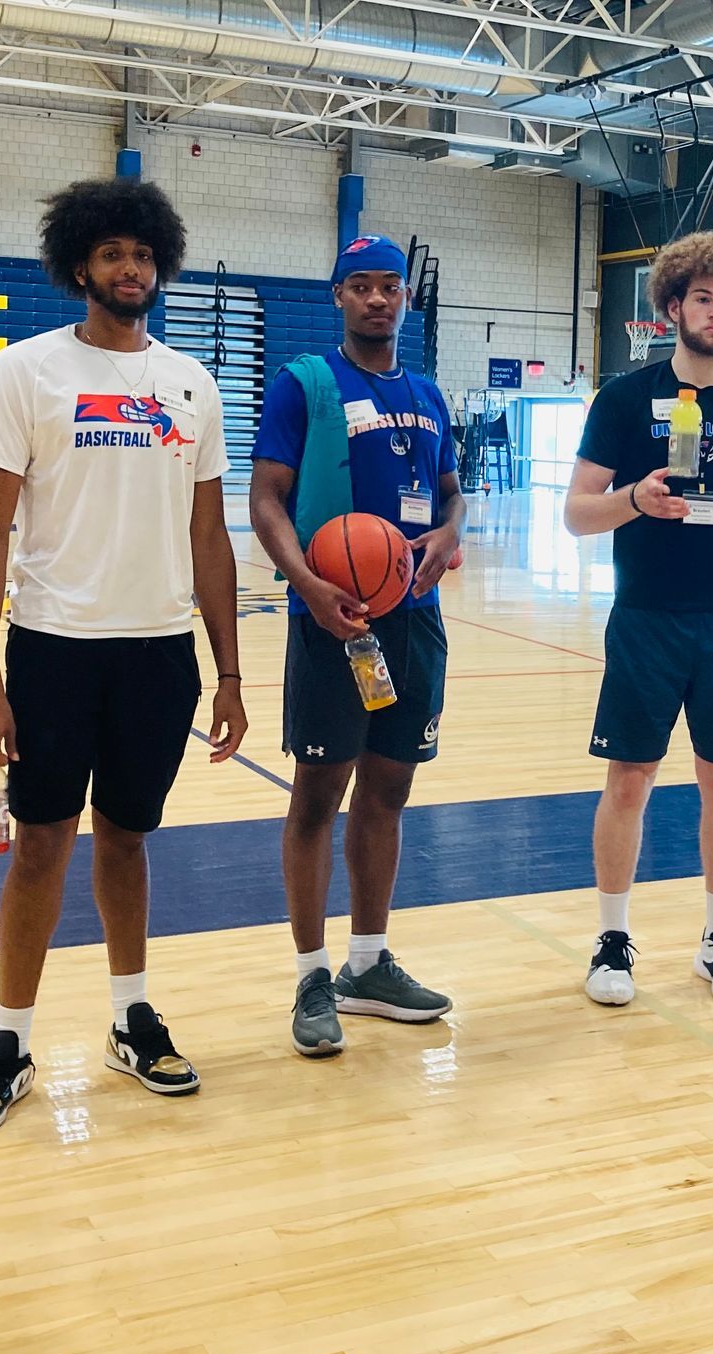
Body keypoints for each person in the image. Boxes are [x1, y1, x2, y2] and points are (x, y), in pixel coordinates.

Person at [0, 177, 245, 1136]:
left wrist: (231, 672)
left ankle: (130, 1014)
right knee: (41, 844)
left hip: (159, 655)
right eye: (114, 254)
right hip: (52, 650)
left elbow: (211, 538)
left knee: (127, 836)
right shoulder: (25, 372)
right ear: (80, 265)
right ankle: (9, 1037)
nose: (132, 270)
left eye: (146, 255)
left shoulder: (192, 384)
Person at [564, 229, 713, 1009]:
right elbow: (576, 513)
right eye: (702, 296)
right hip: (646, 618)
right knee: (630, 778)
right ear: (673, 305)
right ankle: (611, 935)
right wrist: (635, 499)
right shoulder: (624, 399)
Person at [248, 234, 466, 1057]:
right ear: (338, 295)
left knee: (389, 792)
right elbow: (267, 498)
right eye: (362, 286)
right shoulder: (305, 384)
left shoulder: (428, 392)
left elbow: (451, 496)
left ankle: (368, 963)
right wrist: (306, 584)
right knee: (316, 798)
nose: (378, 299)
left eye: (390, 287)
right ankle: (311, 975)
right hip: (332, 618)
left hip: (414, 619)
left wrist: (449, 535)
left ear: (406, 298)